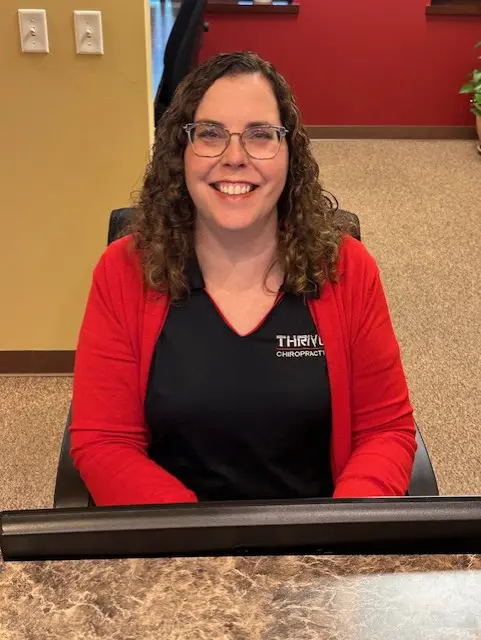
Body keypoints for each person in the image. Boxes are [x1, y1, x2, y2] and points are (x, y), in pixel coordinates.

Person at [70, 51, 417, 507]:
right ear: (181, 153)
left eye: (260, 136)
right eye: (210, 134)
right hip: (171, 550)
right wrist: (202, 549)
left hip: (318, 546)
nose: (235, 158)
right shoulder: (124, 271)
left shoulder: (346, 269)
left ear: (289, 153)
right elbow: (104, 442)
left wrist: (338, 536)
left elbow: (385, 431)